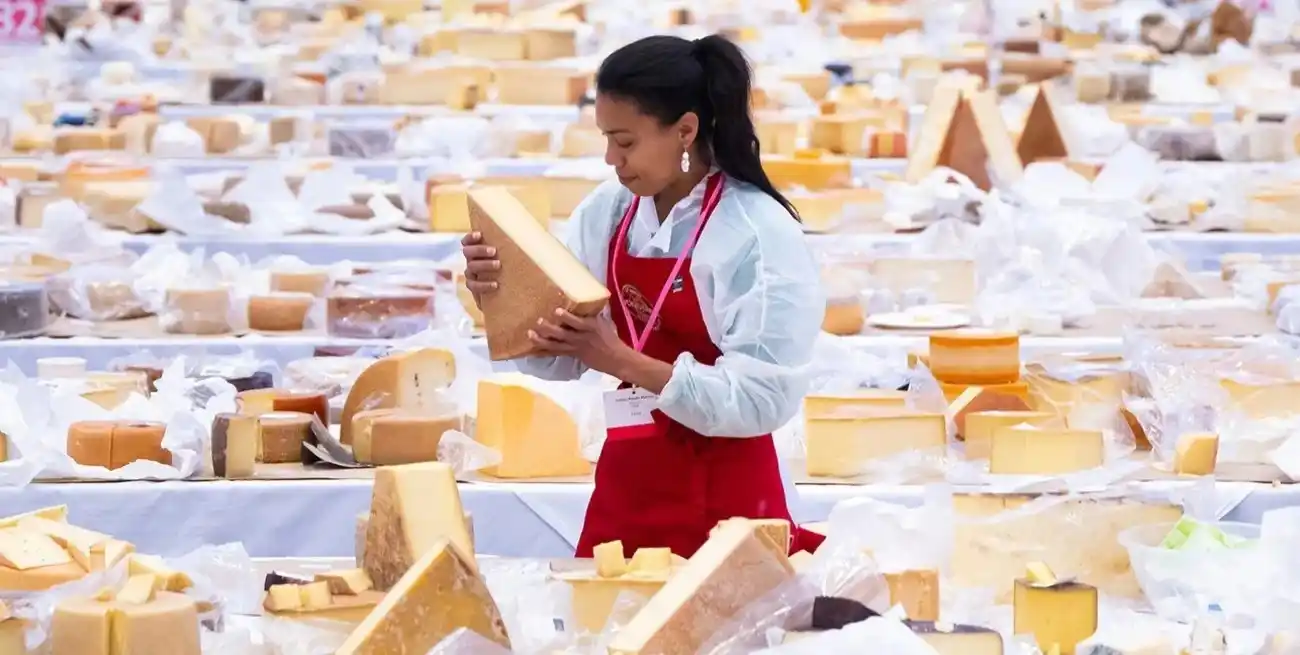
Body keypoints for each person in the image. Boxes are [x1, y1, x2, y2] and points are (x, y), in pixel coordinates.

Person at [461, 34, 825, 559]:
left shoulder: (754, 232)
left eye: (626, 142)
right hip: (625, 485)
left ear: (685, 130)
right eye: (606, 139)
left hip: (727, 495)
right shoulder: (609, 212)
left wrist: (620, 359)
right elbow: (562, 356)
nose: (612, 158)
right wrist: (505, 298)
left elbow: (760, 400)